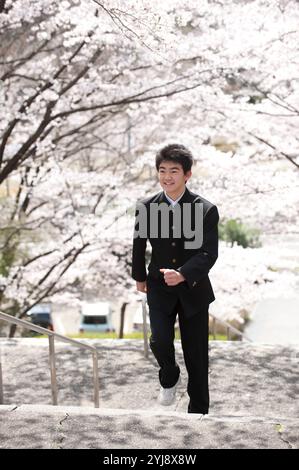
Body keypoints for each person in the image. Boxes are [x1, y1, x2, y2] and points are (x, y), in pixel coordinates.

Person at [131, 143, 219, 414]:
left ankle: (199, 411)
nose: (167, 176)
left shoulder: (204, 209)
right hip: (158, 286)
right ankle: (169, 376)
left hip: (193, 289)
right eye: (162, 170)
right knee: (158, 339)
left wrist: (182, 273)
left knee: (196, 354)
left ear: (187, 175)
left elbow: (208, 253)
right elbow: (138, 244)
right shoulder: (146, 207)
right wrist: (139, 276)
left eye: (174, 171)